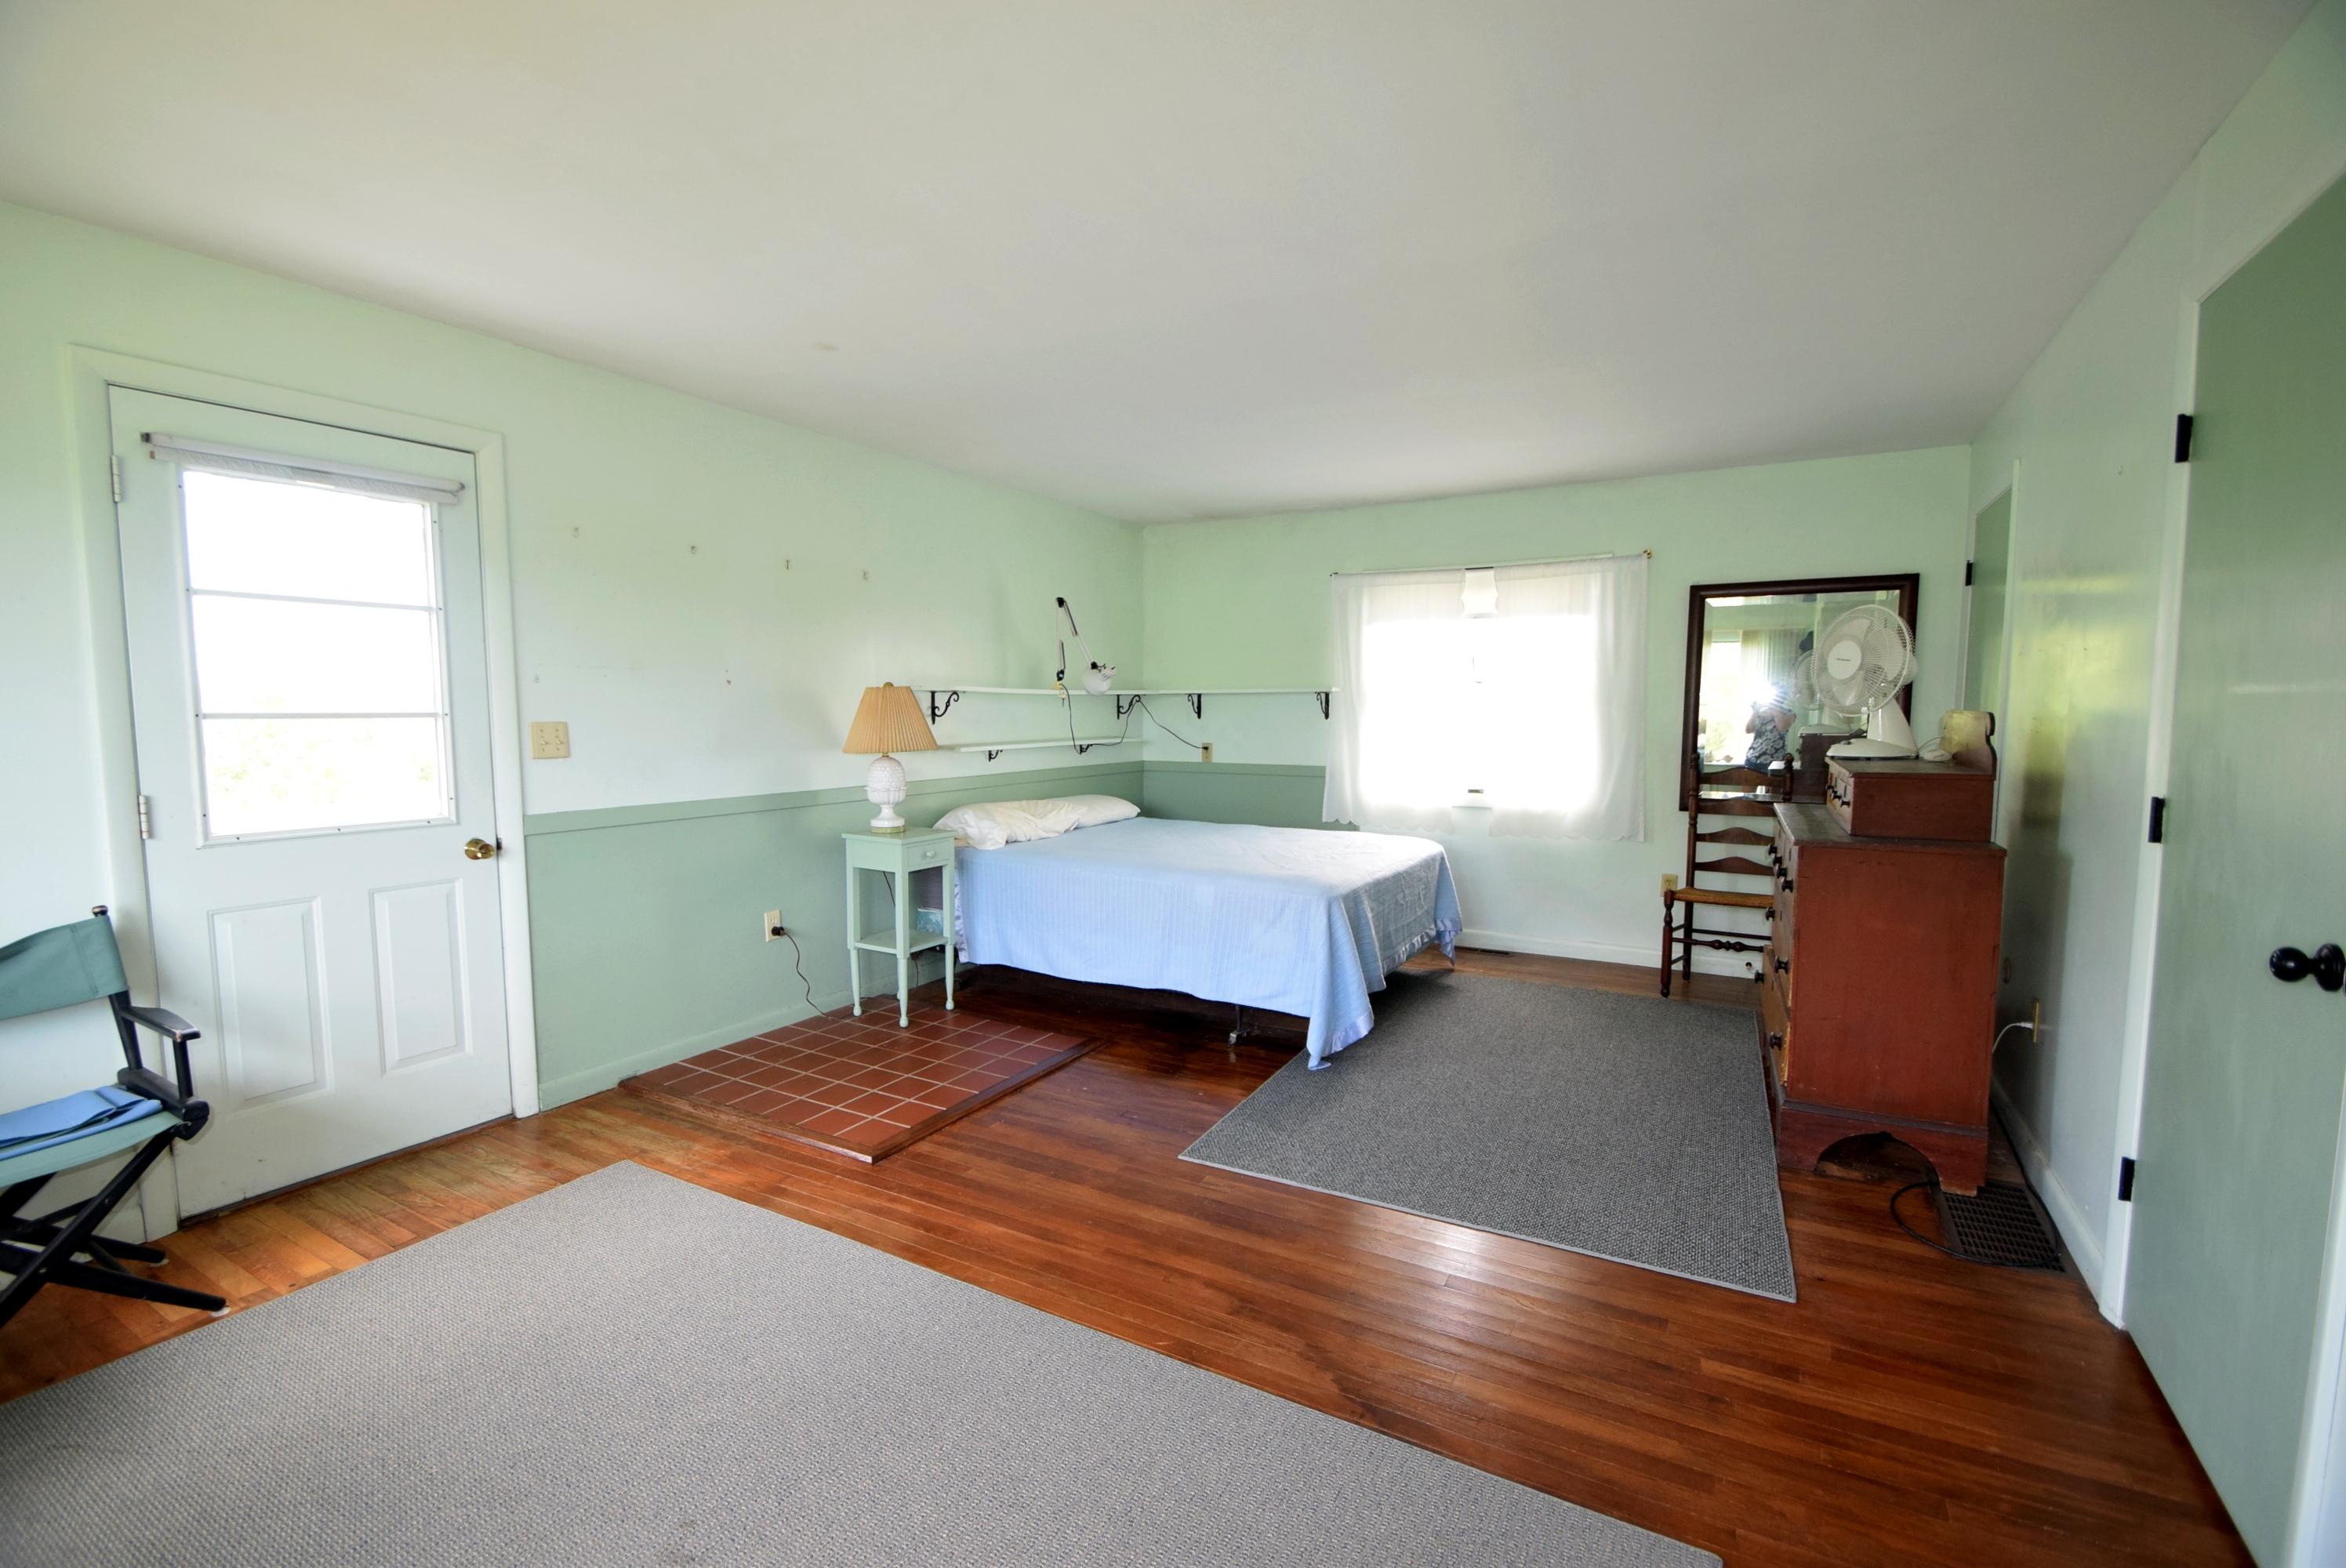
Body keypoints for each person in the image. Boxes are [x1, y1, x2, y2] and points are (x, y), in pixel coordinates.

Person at [1743, 697, 1795, 771]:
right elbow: (1748, 730)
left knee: (1773, 782)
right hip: (1752, 758)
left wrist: (1774, 708)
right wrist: (1755, 712)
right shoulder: (1761, 712)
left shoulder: (1788, 712)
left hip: (1774, 760)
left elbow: (1782, 727)